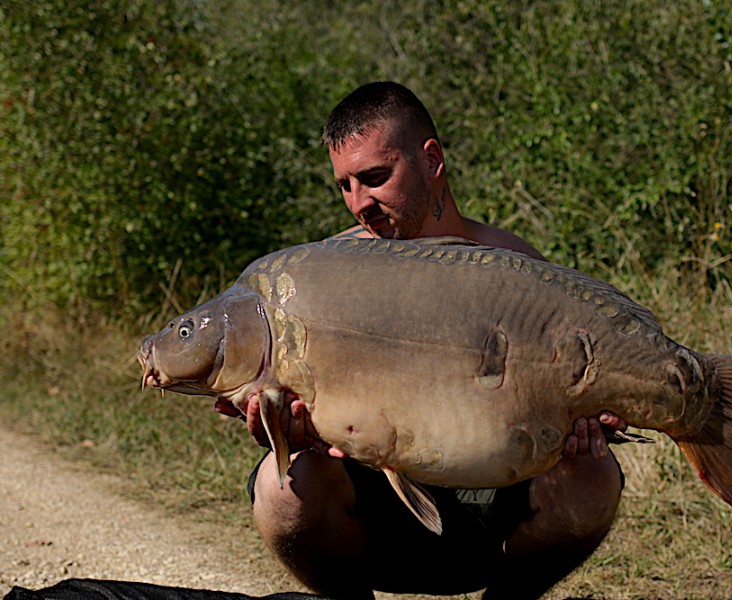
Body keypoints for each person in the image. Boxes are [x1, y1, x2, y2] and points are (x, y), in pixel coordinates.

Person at [244, 82, 626, 600]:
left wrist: (594, 421)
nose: (360, 203)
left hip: (494, 522)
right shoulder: (325, 276)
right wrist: (285, 429)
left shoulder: (516, 270)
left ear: (431, 160)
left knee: (596, 476)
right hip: (375, 524)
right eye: (345, 185)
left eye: (376, 178)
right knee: (280, 485)